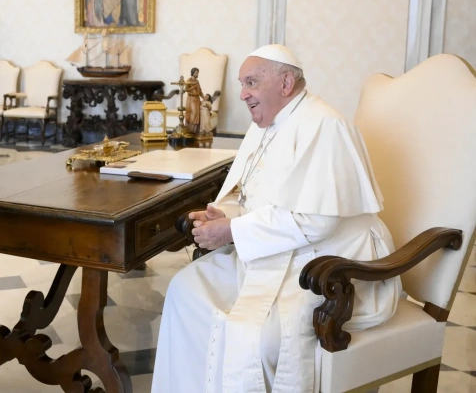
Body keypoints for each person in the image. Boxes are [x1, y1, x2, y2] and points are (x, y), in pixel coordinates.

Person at [151, 44, 401, 393]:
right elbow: (249, 192)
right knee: (184, 290)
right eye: (242, 84)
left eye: (251, 82)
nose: (243, 94)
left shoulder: (325, 125)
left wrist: (232, 230)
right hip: (276, 248)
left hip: (331, 260)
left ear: (286, 83)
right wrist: (224, 214)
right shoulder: (265, 124)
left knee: (263, 337)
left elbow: (317, 221)